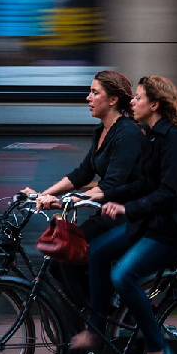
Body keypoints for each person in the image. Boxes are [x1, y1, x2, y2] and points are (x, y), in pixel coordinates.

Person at [72, 75, 177, 354]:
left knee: (123, 276)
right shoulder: (152, 135)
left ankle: (158, 348)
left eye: (138, 98)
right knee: (96, 251)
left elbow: (168, 193)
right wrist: (106, 194)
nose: (132, 102)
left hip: (176, 228)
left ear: (155, 104)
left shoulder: (172, 138)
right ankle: (96, 330)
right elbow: (145, 183)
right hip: (154, 222)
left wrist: (126, 208)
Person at [21, 70, 143, 331]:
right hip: (106, 215)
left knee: (69, 255)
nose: (88, 97)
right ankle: (87, 325)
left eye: (94, 92)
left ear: (112, 100)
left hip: (128, 216)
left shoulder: (127, 133)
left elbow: (112, 185)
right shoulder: (102, 131)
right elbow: (82, 173)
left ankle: (96, 324)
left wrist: (68, 201)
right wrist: (46, 194)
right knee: (60, 261)